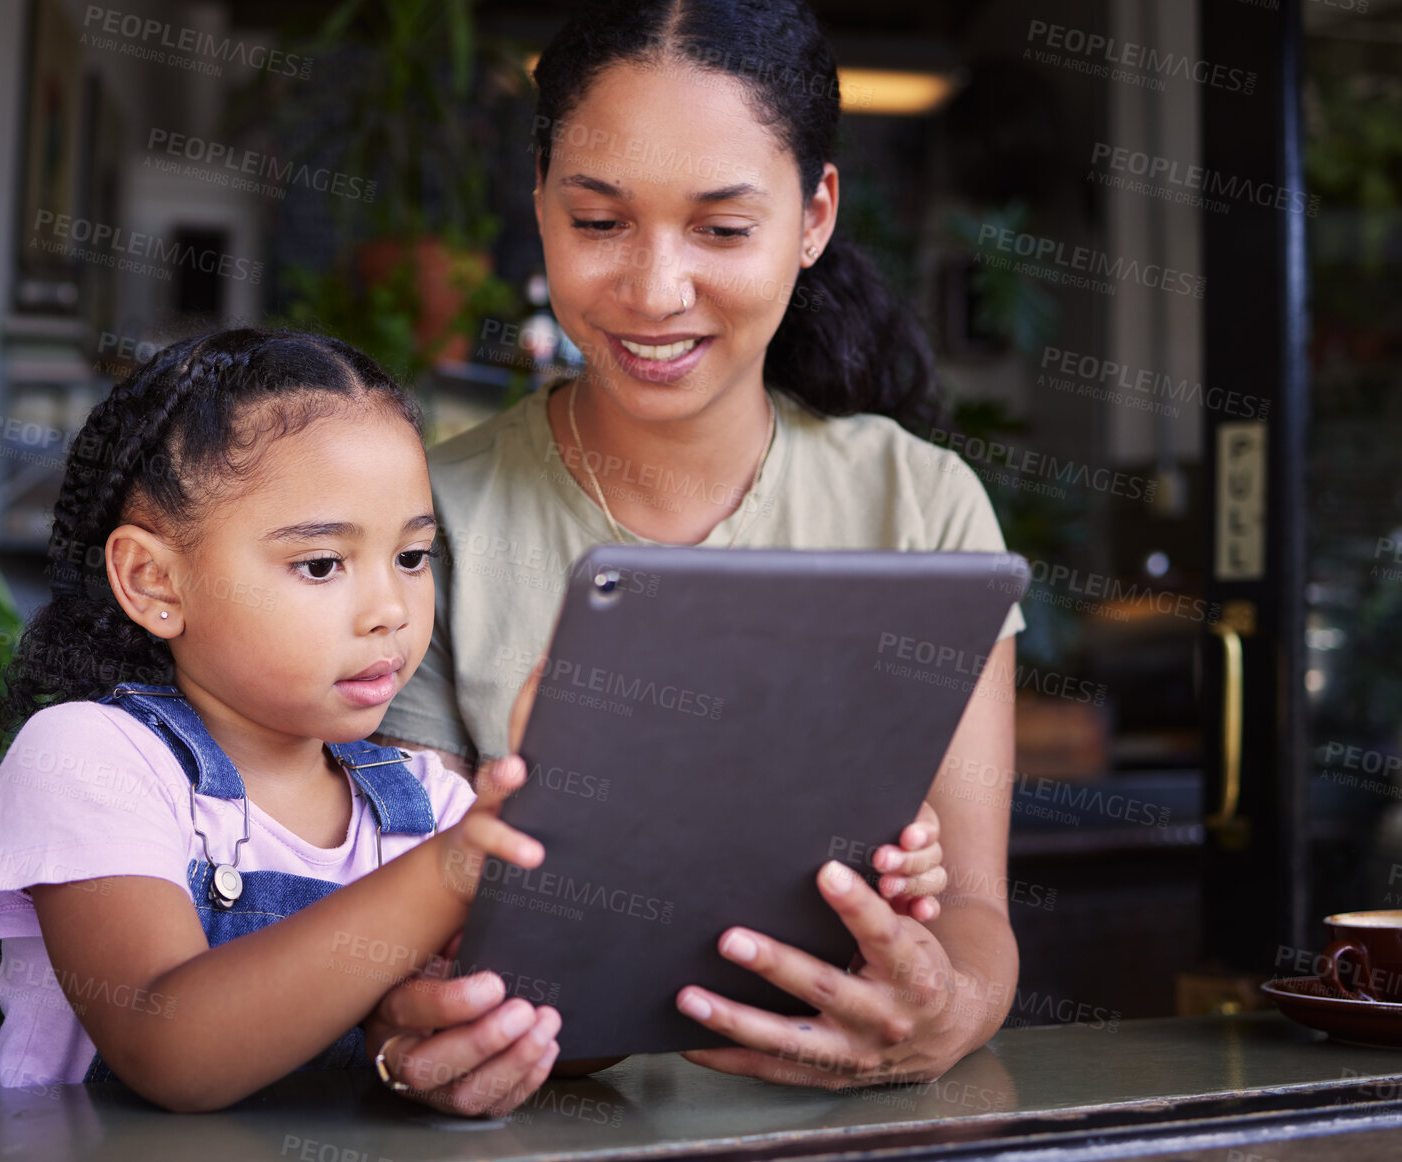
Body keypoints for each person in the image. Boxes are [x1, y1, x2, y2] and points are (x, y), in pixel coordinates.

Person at [368, 0, 1026, 1091]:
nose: (654, 290)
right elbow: (396, 924)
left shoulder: (920, 504)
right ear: (538, 206)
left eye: (721, 229)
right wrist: (408, 1032)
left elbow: (974, 917)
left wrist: (941, 1013)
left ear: (814, 216)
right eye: (598, 222)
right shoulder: (427, 515)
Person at [0, 329, 561, 1114]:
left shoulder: (430, 805)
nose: (390, 611)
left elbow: (573, 1024)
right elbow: (174, 1050)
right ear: (154, 580)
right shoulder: (92, 758)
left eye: (412, 557)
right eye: (321, 564)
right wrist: (451, 874)